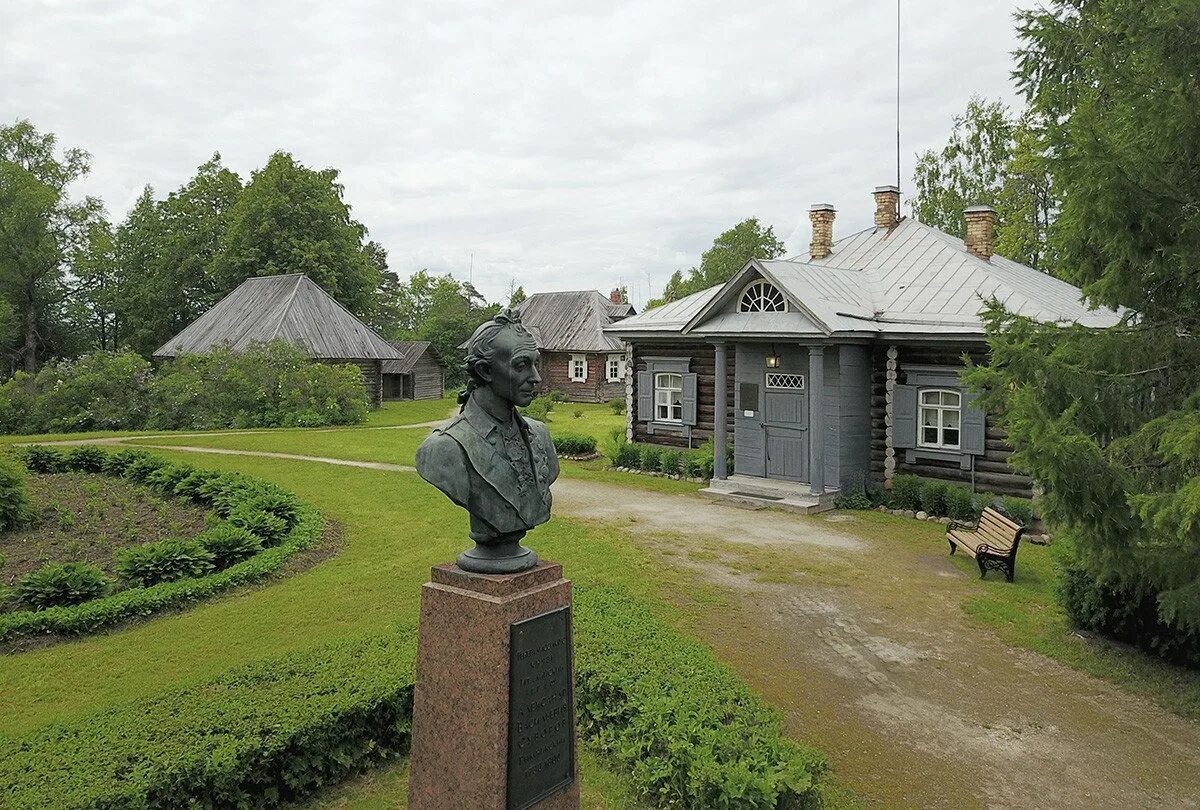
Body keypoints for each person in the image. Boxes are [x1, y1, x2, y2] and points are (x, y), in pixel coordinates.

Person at [416, 309, 559, 573]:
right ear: (485, 371)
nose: (536, 377)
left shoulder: (540, 435)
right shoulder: (445, 448)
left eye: (535, 363)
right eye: (521, 365)